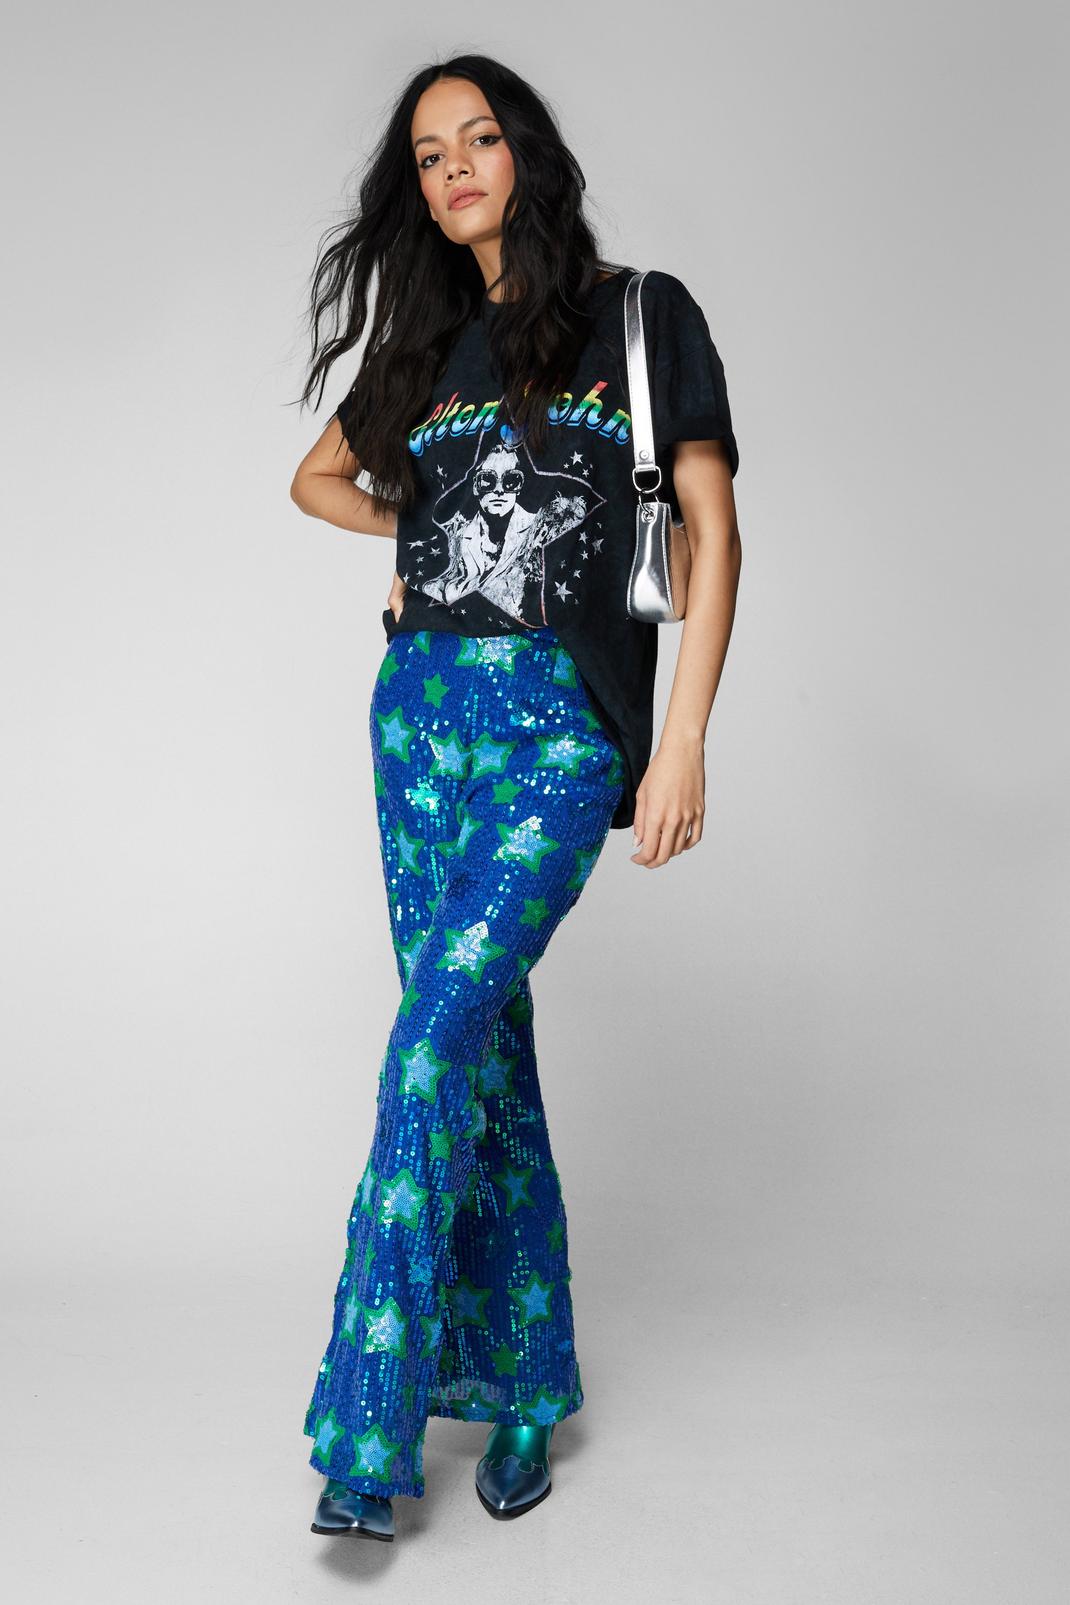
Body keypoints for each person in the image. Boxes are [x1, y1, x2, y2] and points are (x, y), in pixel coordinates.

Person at [289, 53, 742, 1543]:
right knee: (479, 1052)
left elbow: (712, 526)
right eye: (429, 156)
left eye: (478, 139)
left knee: (429, 1046)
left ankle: (368, 1434)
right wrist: (417, 542)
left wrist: (681, 740)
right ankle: (529, 1381)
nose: (455, 170)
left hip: (559, 726)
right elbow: (315, 481)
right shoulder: (425, 343)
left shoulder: (639, 315)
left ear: (526, 154)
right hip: (419, 720)